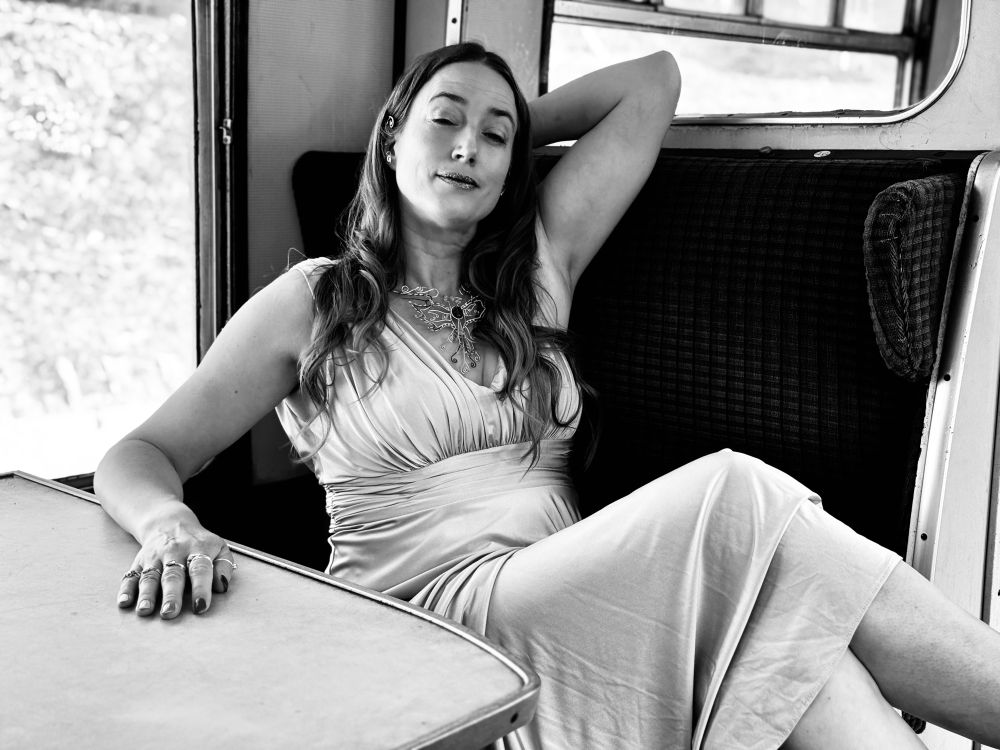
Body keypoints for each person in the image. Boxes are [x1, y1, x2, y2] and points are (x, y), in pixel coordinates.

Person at [95, 42, 1000, 749]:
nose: (468, 146)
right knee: (736, 491)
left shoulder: (534, 276)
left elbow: (652, 81)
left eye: (495, 136)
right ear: (391, 137)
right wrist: (168, 524)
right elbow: (140, 455)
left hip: (574, 618)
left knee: (798, 650)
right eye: (443, 123)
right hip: (419, 626)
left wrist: (507, 129)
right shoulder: (316, 301)